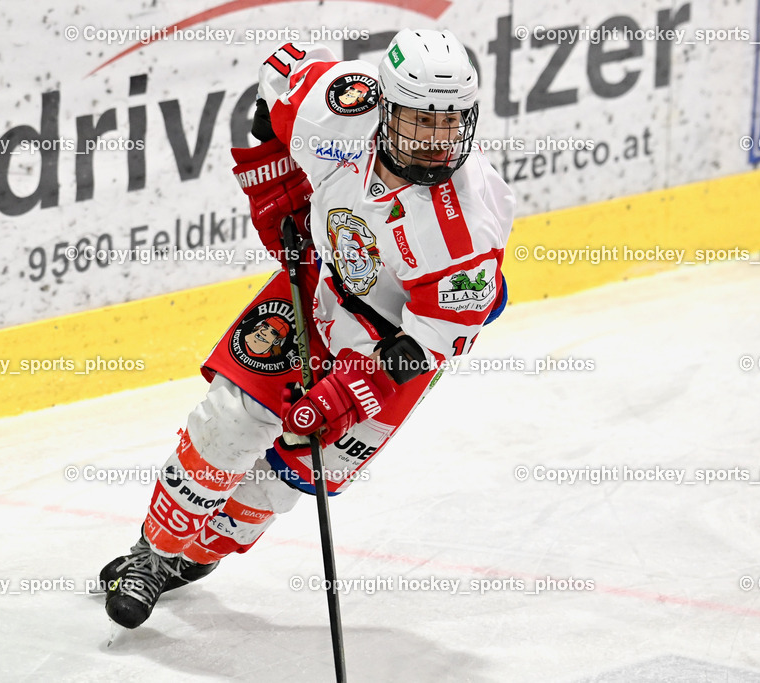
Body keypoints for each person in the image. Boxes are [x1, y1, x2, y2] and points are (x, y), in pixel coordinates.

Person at [100, 28, 515, 629]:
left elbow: (425, 346)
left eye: (450, 123)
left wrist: (347, 394)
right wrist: (279, 187)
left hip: (388, 345)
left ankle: (195, 557)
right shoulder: (339, 108)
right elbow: (267, 104)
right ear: (385, 107)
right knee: (229, 419)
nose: (436, 143)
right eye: (420, 122)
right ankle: (150, 556)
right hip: (317, 292)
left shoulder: (467, 231)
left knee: (278, 481)